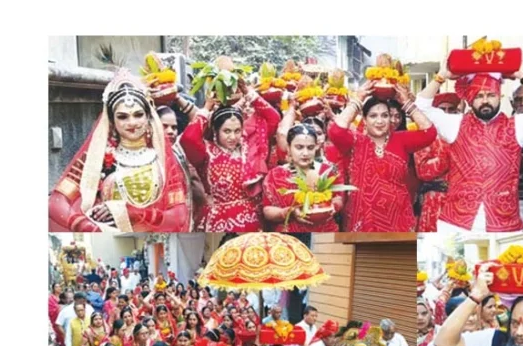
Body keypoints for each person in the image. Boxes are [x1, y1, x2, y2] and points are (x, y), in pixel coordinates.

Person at [415, 57, 523, 232]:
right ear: (470, 99)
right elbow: (420, 108)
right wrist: (441, 76)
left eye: (491, 95)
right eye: (479, 96)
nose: (485, 100)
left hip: (505, 223)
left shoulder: (516, 126)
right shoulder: (455, 124)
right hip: (456, 224)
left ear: (499, 97)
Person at [48, 68, 190, 232]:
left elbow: (179, 215)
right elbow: (56, 202)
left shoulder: (162, 160)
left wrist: (132, 213)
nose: (132, 123)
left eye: (138, 115)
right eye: (123, 116)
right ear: (112, 121)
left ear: (148, 117)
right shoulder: (96, 158)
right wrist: (85, 225)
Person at [328, 82, 436, 231]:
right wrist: (357, 100)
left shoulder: (401, 140)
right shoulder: (355, 141)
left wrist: (406, 103)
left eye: (385, 115)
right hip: (361, 222)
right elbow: (336, 131)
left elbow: (429, 133)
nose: (379, 121)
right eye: (373, 116)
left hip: (398, 221)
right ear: (364, 119)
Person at [179, 78, 279, 232]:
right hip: (217, 221)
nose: (233, 137)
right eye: (227, 131)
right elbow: (188, 139)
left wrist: (248, 92)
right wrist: (206, 108)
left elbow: (273, 118)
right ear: (216, 131)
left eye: (237, 131)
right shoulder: (206, 152)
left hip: (253, 221)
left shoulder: (251, 147)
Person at [263, 124, 345, 232]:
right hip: (290, 234)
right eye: (299, 147)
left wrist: (333, 206)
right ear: (289, 148)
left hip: (325, 231)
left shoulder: (328, 171)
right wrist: (289, 212)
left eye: (310, 148)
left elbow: (339, 198)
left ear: (316, 147)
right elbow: (267, 210)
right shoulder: (276, 175)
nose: (305, 153)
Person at [413, 92, 459, 232]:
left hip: (460, 201)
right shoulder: (424, 135)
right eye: (442, 110)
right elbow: (423, 171)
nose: (447, 113)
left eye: (451, 109)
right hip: (435, 201)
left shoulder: (464, 132)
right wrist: (448, 154)